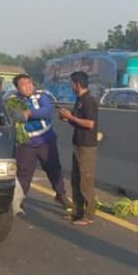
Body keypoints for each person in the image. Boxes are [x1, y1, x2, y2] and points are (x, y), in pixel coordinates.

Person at [5, 74, 73, 211]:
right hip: (26, 144)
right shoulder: (12, 101)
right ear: (17, 88)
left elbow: (47, 111)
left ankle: (61, 194)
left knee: (54, 168)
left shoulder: (42, 96)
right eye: (23, 84)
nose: (28, 86)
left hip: (45, 140)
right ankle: (20, 198)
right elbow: (14, 116)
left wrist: (29, 113)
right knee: (24, 173)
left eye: (29, 82)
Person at [58, 71, 99, 226]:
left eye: (72, 83)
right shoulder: (79, 100)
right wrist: (67, 118)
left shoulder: (89, 101)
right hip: (78, 142)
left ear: (77, 84)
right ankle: (77, 211)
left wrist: (71, 117)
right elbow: (77, 121)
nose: (71, 86)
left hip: (87, 146)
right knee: (75, 180)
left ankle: (89, 215)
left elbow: (89, 124)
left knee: (85, 180)